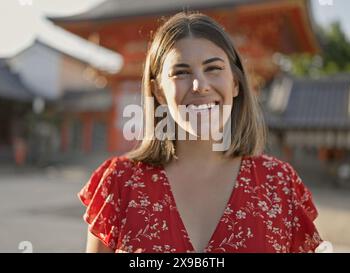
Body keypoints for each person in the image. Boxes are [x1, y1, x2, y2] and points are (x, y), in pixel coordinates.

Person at [78, 11, 325, 253]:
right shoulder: (119, 182)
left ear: (236, 83)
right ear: (159, 92)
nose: (200, 86)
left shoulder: (279, 183)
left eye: (213, 68)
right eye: (181, 72)